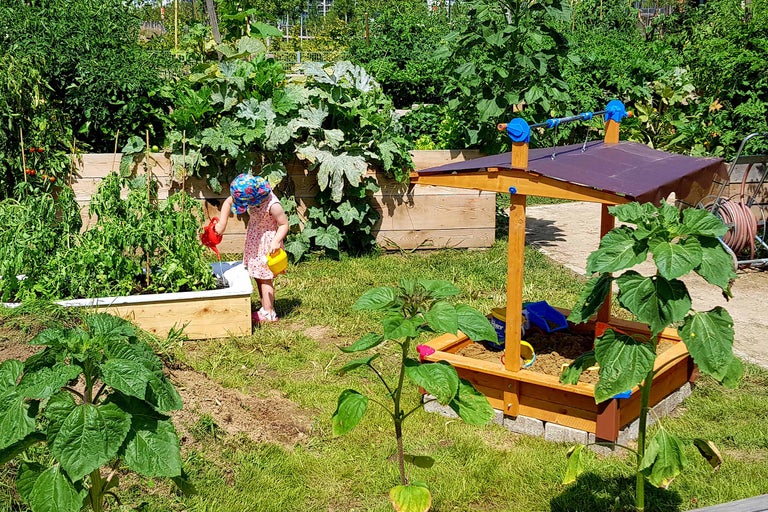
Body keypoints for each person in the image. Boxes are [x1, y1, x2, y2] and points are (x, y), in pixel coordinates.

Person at [215, 173, 289, 324]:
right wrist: (222, 224)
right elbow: (229, 202)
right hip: (255, 240)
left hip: (267, 244)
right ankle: (264, 307)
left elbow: (284, 224)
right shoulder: (250, 195)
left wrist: (276, 241)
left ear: (254, 199)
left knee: (265, 278)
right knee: (257, 275)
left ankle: (269, 313)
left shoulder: (273, 205)